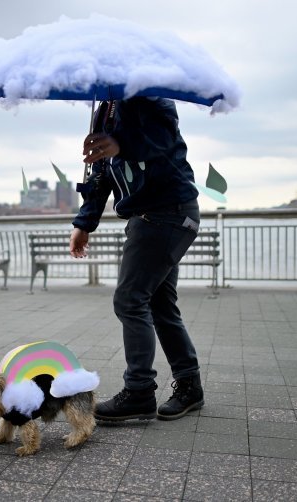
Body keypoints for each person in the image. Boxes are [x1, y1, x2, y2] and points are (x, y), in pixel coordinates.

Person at [70, 96, 204, 421]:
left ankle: (140, 391)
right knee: (159, 304)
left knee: (130, 300)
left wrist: (119, 144)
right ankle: (189, 386)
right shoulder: (106, 108)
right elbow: (100, 174)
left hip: (166, 212)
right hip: (147, 217)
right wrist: (84, 223)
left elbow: (161, 141)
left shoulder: (152, 98)